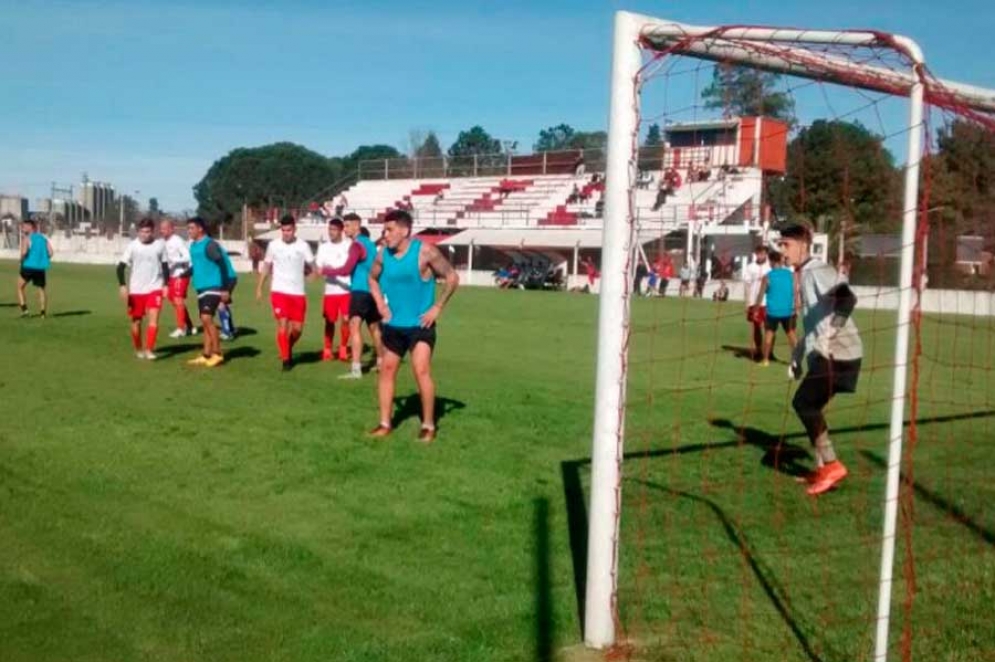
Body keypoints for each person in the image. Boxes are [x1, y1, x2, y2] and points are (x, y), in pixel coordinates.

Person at [779, 220, 863, 496]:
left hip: (840, 355)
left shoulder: (818, 271)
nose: (782, 250)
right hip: (826, 354)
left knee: (804, 403)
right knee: (811, 407)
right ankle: (823, 468)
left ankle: (832, 465)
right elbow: (814, 321)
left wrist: (830, 336)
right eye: (780, 244)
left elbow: (848, 299)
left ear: (803, 245)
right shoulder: (802, 274)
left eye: (786, 244)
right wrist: (798, 353)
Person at [367, 209, 459, 442]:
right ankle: (385, 423)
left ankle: (428, 425)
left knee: (421, 371)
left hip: (420, 326)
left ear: (404, 230)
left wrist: (437, 307)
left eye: (389, 230)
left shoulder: (425, 252)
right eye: (383, 230)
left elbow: (452, 277)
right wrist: (380, 303)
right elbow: (371, 278)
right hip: (394, 325)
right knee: (387, 371)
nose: (385, 235)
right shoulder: (382, 255)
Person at [256, 215, 314, 371]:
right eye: (283, 230)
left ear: (295, 229)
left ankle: (286, 348)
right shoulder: (273, 245)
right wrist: (259, 287)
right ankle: (286, 360)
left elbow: (311, 265)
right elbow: (267, 266)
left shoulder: (303, 246)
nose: (286, 233)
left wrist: (312, 273)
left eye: (289, 230)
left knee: (297, 329)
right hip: (279, 290)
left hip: (298, 292)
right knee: (283, 324)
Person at [186, 217, 236, 367]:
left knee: (206, 318)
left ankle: (218, 353)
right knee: (205, 320)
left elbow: (222, 264)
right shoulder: (194, 245)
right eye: (188, 228)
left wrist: (226, 288)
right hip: (202, 286)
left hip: (215, 285)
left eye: (191, 228)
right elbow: (197, 265)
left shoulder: (210, 245)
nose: (189, 231)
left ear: (200, 229)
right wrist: (182, 274)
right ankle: (206, 354)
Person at [117, 218, 169, 359]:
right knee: (136, 322)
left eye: (148, 232)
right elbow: (120, 268)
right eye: (142, 232)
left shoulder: (160, 245)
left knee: (153, 320)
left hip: (155, 287)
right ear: (138, 232)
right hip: (136, 290)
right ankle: (139, 348)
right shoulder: (132, 246)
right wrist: (122, 285)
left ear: (153, 232)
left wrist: (166, 285)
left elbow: (165, 266)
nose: (145, 234)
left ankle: (149, 350)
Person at [315, 217, 353, 362]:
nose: (331, 232)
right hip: (330, 291)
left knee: (346, 319)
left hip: (346, 290)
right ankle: (328, 349)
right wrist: (321, 270)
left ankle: (343, 348)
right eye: (330, 229)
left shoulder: (349, 245)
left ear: (341, 230)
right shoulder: (324, 247)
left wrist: (332, 270)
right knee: (330, 321)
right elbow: (319, 268)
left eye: (334, 230)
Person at [754, 251, 798, 366]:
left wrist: (756, 309)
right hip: (788, 311)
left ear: (772, 262)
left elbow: (760, 294)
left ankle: (765, 360)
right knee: (792, 336)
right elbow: (795, 292)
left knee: (769, 335)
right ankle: (795, 360)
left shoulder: (767, 277)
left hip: (773, 311)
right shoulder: (791, 274)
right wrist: (796, 305)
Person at [159, 219, 196, 338]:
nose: (162, 231)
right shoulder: (162, 242)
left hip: (182, 273)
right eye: (161, 228)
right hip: (171, 275)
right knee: (173, 300)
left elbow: (187, 256)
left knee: (178, 300)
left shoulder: (177, 241)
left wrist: (174, 261)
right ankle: (189, 326)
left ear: (171, 229)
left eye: (165, 228)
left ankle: (181, 328)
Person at [17, 219, 54, 317]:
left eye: (24, 226)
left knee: (20, 287)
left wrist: (21, 260)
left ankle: (25, 311)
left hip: (28, 267)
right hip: (40, 268)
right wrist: (42, 259)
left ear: (31, 227)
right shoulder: (43, 238)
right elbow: (51, 253)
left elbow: (24, 252)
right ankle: (42, 313)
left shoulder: (27, 238)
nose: (23, 228)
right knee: (41, 290)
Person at [743, 245, 771, 361]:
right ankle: (759, 350)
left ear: (766, 254)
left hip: (768, 301)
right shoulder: (750, 267)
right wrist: (747, 301)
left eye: (762, 253)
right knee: (756, 326)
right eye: (758, 253)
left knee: (769, 327)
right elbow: (747, 285)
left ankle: (768, 352)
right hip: (754, 302)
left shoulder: (770, 267)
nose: (760, 256)